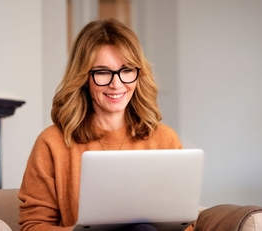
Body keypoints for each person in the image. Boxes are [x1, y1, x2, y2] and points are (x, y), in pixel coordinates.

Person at [18, 18, 183, 231]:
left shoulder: (164, 139)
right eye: (102, 72)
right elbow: (33, 226)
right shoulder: (52, 143)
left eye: (126, 70)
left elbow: (184, 225)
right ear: (84, 78)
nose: (117, 84)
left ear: (138, 74)